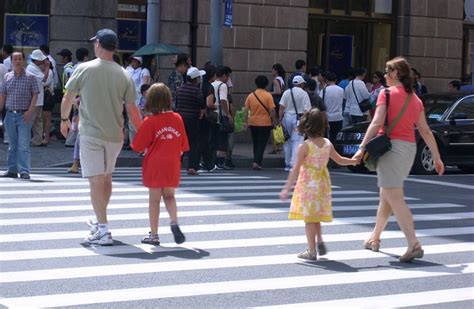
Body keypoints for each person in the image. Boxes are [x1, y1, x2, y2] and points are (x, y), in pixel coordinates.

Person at [353, 57, 445, 262]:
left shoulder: (385, 94)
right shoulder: (416, 99)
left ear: (396, 74)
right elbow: (426, 131)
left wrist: (361, 147)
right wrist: (437, 157)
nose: (385, 75)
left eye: (387, 72)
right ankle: (374, 238)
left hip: (391, 149)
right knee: (387, 194)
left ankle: (413, 243)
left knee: (394, 197)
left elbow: (376, 122)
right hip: (409, 149)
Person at [60, 28, 142, 245]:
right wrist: (143, 135)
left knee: (96, 181)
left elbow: (68, 97)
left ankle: (103, 229)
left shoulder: (84, 68)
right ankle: (99, 220)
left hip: (91, 133)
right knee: (105, 179)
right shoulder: (124, 74)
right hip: (115, 135)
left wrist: (64, 120)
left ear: (98, 45)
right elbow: (133, 110)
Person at [279, 108, 358, 260]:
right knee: (316, 215)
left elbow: (295, 169)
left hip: (308, 184)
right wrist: (354, 161)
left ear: (306, 126)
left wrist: (286, 188)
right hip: (323, 183)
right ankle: (319, 240)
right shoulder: (327, 143)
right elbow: (340, 160)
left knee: (309, 219)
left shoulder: (305, 146)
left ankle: (311, 250)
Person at [131, 83, 188, 245]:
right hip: (173, 162)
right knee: (170, 196)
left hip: (155, 163)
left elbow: (137, 146)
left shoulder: (150, 121)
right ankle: (174, 222)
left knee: (154, 200)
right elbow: (184, 145)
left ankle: (154, 235)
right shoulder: (177, 118)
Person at [0, 52, 40, 179]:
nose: (17, 61)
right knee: (12, 145)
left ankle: (24, 171)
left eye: (20, 59)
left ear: (23, 60)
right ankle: (12, 169)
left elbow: (35, 95)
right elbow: (3, 95)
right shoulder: (7, 77)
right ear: (11, 61)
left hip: (24, 115)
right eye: (15, 59)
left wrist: (30, 111)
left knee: (23, 144)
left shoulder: (31, 77)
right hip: (10, 115)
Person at [176, 67, 206, 175]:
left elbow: (176, 103)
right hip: (193, 119)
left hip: (180, 119)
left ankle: (175, 165)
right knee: (193, 143)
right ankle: (192, 166)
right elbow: (202, 103)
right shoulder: (196, 90)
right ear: (196, 79)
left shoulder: (180, 89)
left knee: (179, 143)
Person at [243, 75, 276, 170]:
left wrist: (245, 122)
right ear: (266, 84)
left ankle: (256, 161)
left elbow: (246, 110)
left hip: (253, 122)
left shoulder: (251, 95)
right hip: (265, 123)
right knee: (262, 143)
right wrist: (273, 121)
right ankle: (257, 162)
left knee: (256, 143)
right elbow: (272, 110)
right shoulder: (268, 95)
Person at [279, 75, 312, 171]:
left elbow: (281, 107)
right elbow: (307, 110)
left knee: (287, 141)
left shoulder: (286, 92)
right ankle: (294, 164)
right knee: (297, 141)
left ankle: (287, 163)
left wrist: (280, 119)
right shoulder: (304, 94)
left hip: (286, 118)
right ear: (302, 84)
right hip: (299, 120)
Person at [26, 49, 52, 147]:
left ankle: (37, 140)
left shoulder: (34, 68)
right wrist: (47, 68)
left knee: (38, 120)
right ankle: (27, 140)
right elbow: (44, 79)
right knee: (32, 120)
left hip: (38, 99)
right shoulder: (31, 68)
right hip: (34, 100)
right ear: (36, 60)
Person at [211, 66, 233, 169]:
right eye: (228, 76)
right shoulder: (222, 86)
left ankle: (212, 161)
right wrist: (228, 114)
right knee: (222, 139)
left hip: (212, 115)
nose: (228, 79)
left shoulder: (212, 84)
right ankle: (220, 162)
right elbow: (224, 100)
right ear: (224, 75)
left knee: (213, 138)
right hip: (220, 115)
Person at [198, 64, 218, 173]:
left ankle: (201, 162)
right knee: (206, 140)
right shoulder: (209, 87)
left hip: (197, 115)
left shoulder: (199, 85)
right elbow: (209, 103)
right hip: (206, 116)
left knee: (199, 139)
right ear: (212, 75)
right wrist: (216, 107)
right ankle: (207, 163)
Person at [322, 71, 344, 143]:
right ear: (335, 80)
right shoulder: (341, 90)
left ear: (326, 80)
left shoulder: (324, 90)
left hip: (328, 117)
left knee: (328, 138)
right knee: (337, 137)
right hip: (338, 117)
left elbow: (321, 104)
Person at [269, 63, 286, 154]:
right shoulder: (282, 80)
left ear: (276, 70)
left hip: (275, 103)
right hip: (281, 103)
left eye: (272, 69)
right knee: (278, 126)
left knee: (274, 126)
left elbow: (278, 92)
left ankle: (275, 147)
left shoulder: (276, 80)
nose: (271, 71)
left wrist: (269, 93)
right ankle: (279, 146)